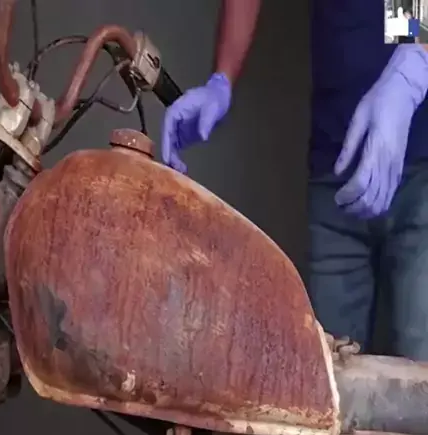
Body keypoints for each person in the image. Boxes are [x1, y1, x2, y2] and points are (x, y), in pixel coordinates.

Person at [161, 0, 428, 360]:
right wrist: (222, 79)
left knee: (421, 368)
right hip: (336, 174)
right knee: (330, 372)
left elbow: (408, 15)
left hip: (422, 172)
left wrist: (413, 64)